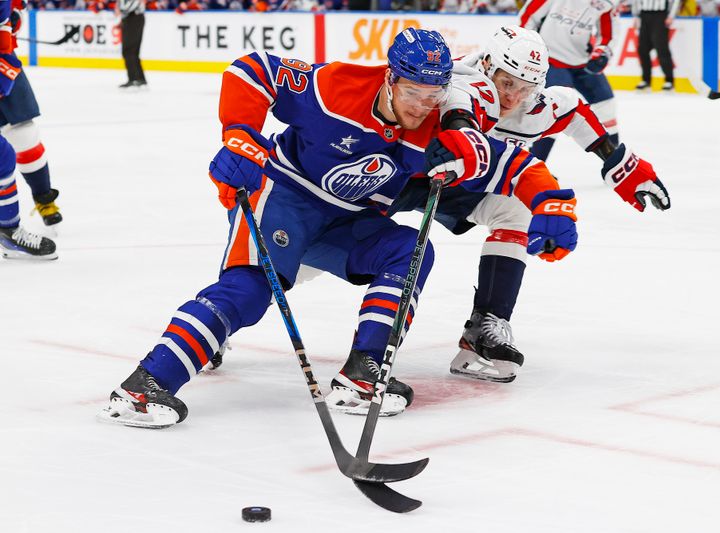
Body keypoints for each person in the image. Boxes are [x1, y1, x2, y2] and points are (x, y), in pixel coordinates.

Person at [97, 28, 575, 427]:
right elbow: (253, 70)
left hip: (349, 219)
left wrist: (550, 202)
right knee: (250, 290)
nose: (421, 107)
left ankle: (363, 373)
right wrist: (240, 135)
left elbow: (511, 163)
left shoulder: (439, 123)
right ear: (391, 79)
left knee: (410, 251)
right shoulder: (336, 87)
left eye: (433, 97)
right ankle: (145, 386)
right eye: (413, 93)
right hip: (285, 196)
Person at [389, 26, 669, 383]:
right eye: (507, 84)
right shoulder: (459, 81)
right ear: (488, 65)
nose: (514, 97)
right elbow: (461, 116)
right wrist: (462, 136)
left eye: (526, 87)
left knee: (515, 210)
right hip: (396, 175)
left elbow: (573, 110)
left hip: (458, 184)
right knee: (322, 245)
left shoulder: (536, 104)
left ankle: (483, 332)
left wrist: (618, 165)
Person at [519, 0, 621, 162]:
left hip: (583, 61)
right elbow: (528, 16)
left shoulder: (606, 2)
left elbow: (608, 34)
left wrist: (602, 53)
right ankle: (534, 166)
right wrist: (530, 47)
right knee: (553, 111)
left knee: (606, 104)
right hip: (550, 59)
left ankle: (616, 162)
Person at [0, 2, 56, 259]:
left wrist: (15, 17)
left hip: (4, 64)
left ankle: (44, 199)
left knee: (25, 136)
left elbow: (15, 13)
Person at [631, 0, 679, 91]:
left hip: (660, 15)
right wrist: (636, 15)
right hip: (644, 15)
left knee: (661, 48)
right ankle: (646, 80)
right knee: (642, 49)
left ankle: (669, 80)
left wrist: (671, 16)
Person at [117, 0, 147, 89]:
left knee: (129, 50)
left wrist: (120, 10)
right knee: (132, 51)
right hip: (131, 19)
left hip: (134, 19)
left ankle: (134, 79)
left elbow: (125, 8)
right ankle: (140, 78)